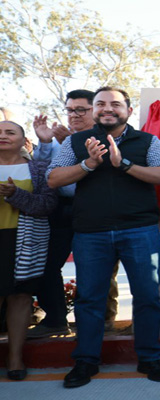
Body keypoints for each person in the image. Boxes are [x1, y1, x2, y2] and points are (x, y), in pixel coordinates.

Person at [47, 87, 160, 388]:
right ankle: (86, 361)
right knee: (89, 299)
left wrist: (124, 164)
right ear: (93, 110)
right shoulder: (76, 141)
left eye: (115, 104)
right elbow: (53, 178)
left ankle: (149, 358)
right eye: (100, 104)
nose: (108, 109)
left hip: (140, 231)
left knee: (147, 296)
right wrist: (89, 164)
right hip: (91, 233)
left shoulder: (147, 141)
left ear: (128, 111)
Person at [28, 89, 122, 339]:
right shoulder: (61, 139)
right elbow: (45, 175)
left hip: (96, 210)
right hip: (60, 209)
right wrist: (46, 143)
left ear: (97, 111)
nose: (74, 115)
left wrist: (77, 143)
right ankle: (56, 319)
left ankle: (102, 322)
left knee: (99, 268)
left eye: (81, 109)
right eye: (70, 109)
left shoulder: (111, 137)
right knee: (47, 265)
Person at [0, 121, 57, 380]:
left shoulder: (39, 168)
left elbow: (47, 204)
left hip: (25, 241)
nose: (3, 136)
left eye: (10, 132)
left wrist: (15, 194)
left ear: (24, 140)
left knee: (21, 297)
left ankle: (15, 359)